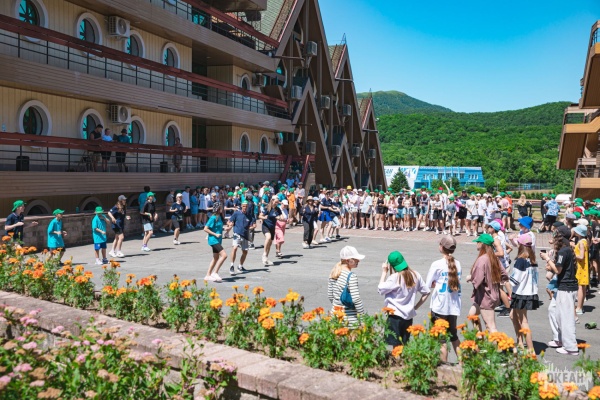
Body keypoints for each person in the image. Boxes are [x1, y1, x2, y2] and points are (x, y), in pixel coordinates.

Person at [541, 225, 579, 355]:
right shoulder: (566, 249)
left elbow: (558, 270)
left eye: (555, 235)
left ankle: (571, 347)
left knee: (566, 317)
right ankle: (560, 339)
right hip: (564, 286)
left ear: (560, 237)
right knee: (553, 310)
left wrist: (547, 259)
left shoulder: (564, 251)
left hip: (566, 287)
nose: (553, 237)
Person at [379, 250, 430, 346]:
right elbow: (426, 292)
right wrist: (415, 307)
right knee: (404, 344)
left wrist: (384, 272)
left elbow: (380, 289)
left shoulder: (394, 277)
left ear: (392, 266)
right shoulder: (415, 274)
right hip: (408, 317)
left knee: (396, 346)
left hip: (394, 316)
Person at [426, 236, 462, 362]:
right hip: (453, 306)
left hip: (440, 306)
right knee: (453, 336)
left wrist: (435, 284)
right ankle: (463, 363)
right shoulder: (458, 264)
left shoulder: (437, 264)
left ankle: (443, 365)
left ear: (441, 247)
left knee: (441, 339)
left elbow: (428, 284)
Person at [467, 233, 509, 332]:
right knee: (472, 315)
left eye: (478, 242)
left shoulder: (482, 259)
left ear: (482, 244)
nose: (477, 243)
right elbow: (504, 274)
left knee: (490, 326)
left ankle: (497, 342)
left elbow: (477, 280)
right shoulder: (493, 257)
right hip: (491, 294)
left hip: (485, 296)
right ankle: (480, 338)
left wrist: (470, 278)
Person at [509, 235, 539, 351]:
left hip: (521, 293)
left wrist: (505, 280)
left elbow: (515, 280)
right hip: (529, 292)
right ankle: (520, 342)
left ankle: (531, 350)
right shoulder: (532, 260)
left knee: (524, 321)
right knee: (513, 315)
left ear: (520, 245)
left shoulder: (520, 261)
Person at [327, 246, 366, 326]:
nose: (358, 261)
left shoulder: (333, 273)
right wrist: (362, 318)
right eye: (355, 259)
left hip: (335, 316)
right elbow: (356, 299)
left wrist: (338, 305)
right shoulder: (351, 276)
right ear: (348, 260)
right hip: (349, 319)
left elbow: (330, 296)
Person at [228, 201, 255, 275]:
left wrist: (253, 227)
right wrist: (230, 224)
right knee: (234, 248)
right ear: (241, 206)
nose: (245, 208)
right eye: (243, 206)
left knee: (245, 252)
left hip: (245, 235)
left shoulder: (249, 216)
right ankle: (231, 266)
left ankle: (240, 266)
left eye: (246, 206)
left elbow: (251, 225)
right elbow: (229, 221)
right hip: (237, 234)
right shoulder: (236, 213)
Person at [204, 202, 227, 282]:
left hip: (218, 240)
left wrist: (225, 229)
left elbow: (217, 228)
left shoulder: (219, 217)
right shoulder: (213, 218)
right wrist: (215, 234)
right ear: (217, 209)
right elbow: (205, 229)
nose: (222, 209)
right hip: (213, 240)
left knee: (215, 258)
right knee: (224, 255)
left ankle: (207, 275)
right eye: (221, 207)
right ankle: (215, 272)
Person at [259, 197, 281, 266]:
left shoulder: (277, 209)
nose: (276, 203)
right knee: (268, 237)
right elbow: (260, 216)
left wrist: (281, 218)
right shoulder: (267, 208)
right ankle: (264, 253)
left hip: (272, 227)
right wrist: (264, 217)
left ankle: (266, 258)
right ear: (272, 201)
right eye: (275, 202)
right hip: (266, 226)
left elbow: (281, 216)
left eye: (277, 202)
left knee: (270, 243)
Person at [573, 224, 589, 315]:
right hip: (584, 267)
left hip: (580, 267)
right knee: (582, 287)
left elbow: (581, 256)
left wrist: (573, 254)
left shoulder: (581, 243)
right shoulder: (585, 241)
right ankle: (580, 307)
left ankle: (579, 307)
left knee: (580, 287)